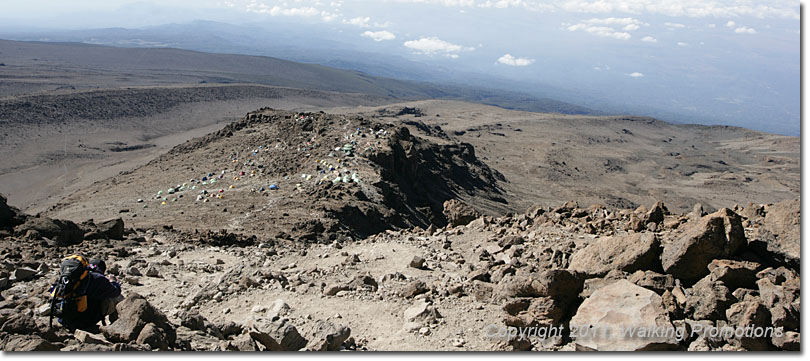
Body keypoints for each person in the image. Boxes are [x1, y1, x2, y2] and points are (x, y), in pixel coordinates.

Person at [49, 255, 123, 332]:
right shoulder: (97, 278)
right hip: (85, 322)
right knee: (118, 297)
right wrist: (113, 281)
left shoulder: (65, 279)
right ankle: (115, 327)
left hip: (64, 320)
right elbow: (116, 291)